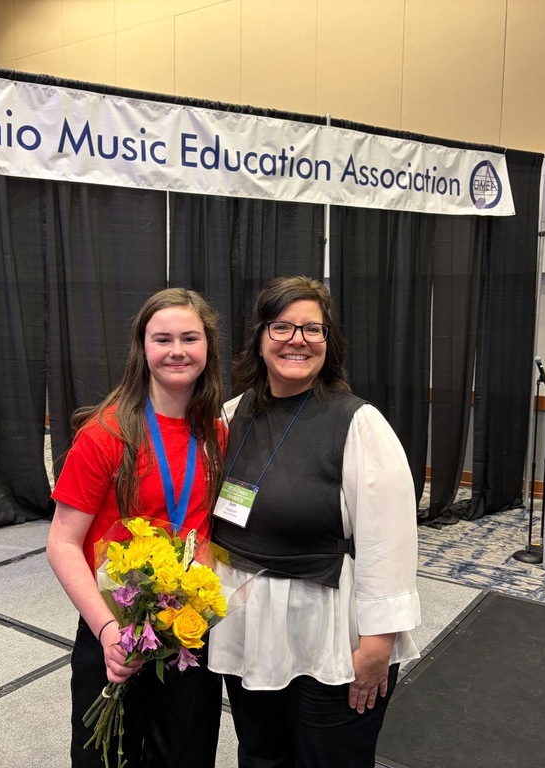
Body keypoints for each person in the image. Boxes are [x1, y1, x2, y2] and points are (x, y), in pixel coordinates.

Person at [208, 275, 421, 767]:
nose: (297, 340)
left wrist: (376, 645)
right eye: (282, 326)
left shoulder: (360, 423)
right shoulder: (231, 415)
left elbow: (390, 545)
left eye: (312, 329)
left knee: (330, 758)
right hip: (249, 629)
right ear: (260, 339)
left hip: (329, 635)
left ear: (329, 343)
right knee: (261, 755)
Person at [47, 287, 227, 768]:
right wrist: (108, 631)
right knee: (107, 757)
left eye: (190, 338)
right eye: (162, 338)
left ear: (208, 347)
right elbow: (62, 543)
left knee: (186, 757)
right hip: (114, 631)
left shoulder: (216, 432)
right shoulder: (105, 434)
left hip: (189, 636)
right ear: (142, 348)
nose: (176, 351)